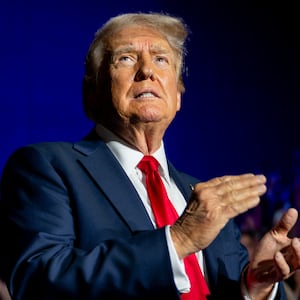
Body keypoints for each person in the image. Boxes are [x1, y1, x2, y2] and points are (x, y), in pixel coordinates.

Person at [0, 12, 299, 300]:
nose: (147, 71)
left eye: (161, 60)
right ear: (91, 93)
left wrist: (255, 288)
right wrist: (178, 241)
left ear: (178, 96)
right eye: (126, 58)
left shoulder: (205, 198)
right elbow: (37, 281)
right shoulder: (47, 167)